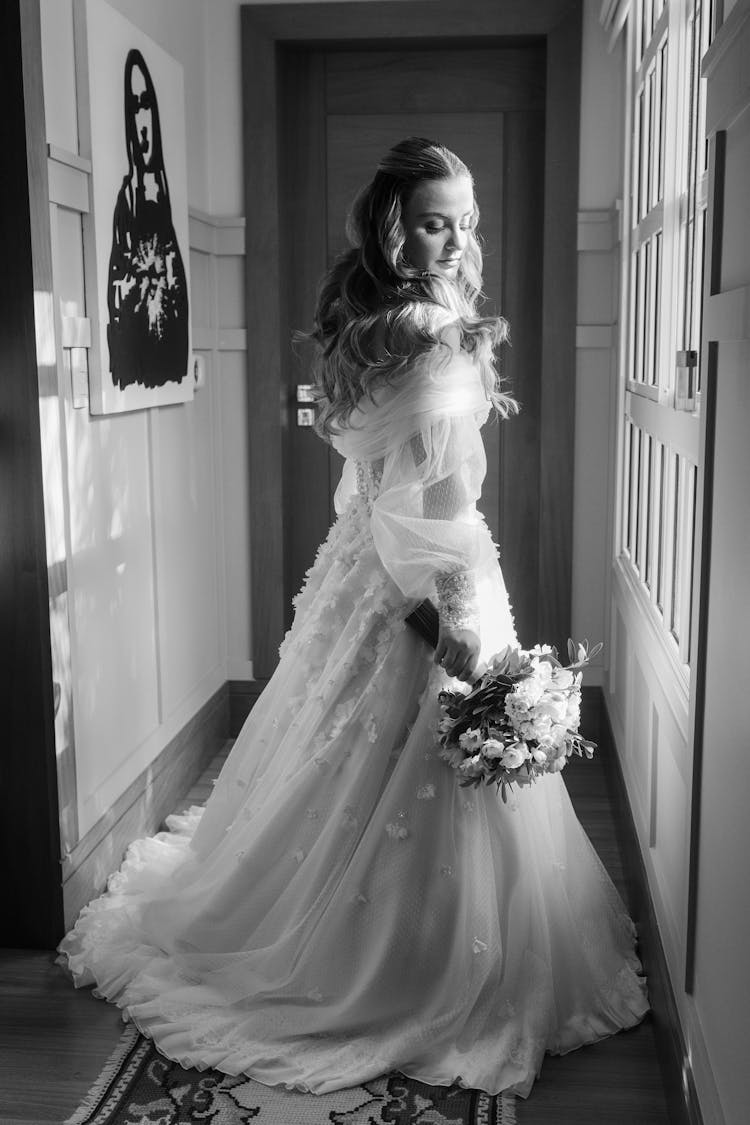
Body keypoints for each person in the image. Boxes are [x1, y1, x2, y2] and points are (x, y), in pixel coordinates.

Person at [59, 137, 648, 1098]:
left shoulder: (382, 317)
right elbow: (421, 503)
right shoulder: (431, 331)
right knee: (425, 757)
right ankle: (412, 966)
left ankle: (378, 932)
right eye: (432, 221)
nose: (456, 238)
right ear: (391, 225)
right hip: (428, 577)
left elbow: (377, 486)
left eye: (465, 220)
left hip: (372, 567)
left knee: (346, 757)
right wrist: (444, 618)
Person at [107, 48, 189, 391]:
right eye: (135, 107)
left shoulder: (166, 200)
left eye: (146, 105)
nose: (143, 121)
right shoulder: (126, 200)